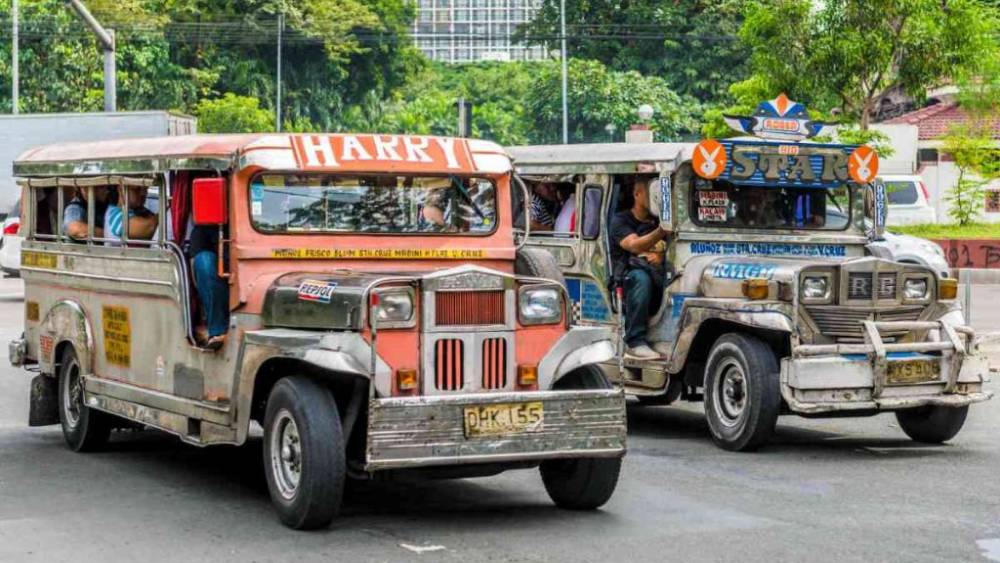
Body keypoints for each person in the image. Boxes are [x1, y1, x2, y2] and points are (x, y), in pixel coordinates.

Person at [610, 178, 672, 360]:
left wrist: (661, 257)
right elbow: (634, 245)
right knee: (640, 278)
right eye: (652, 192)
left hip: (659, 274)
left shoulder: (656, 221)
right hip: (629, 278)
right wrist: (661, 231)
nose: (657, 198)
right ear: (637, 195)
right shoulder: (620, 221)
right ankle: (635, 341)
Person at [190, 224, 228, 350]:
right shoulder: (204, 228)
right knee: (204, 261)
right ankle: (218, 330)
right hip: (219, 289)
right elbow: (197, 274)